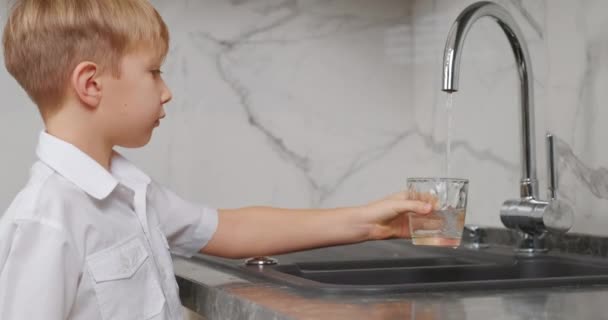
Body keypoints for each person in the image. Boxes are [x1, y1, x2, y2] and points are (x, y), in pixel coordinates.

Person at [0, 1, 432, 319]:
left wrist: (368, 222)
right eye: (153, 72)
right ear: (91, 84)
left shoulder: (131, 192)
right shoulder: (46, 220)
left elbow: (231, 228)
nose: (166, 90)